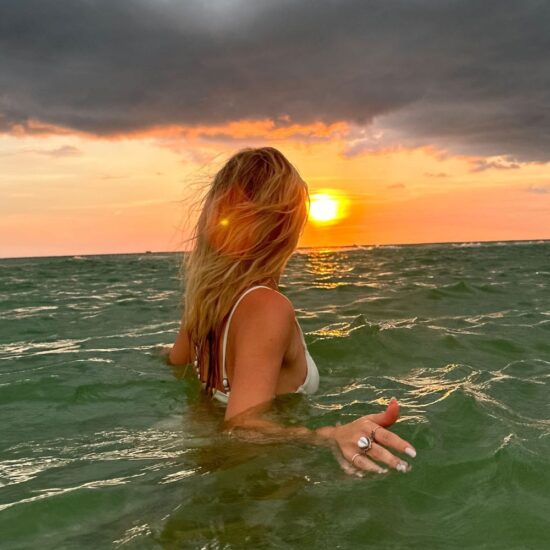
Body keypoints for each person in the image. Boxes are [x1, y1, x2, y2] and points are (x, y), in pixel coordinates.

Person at [164, 146, 416, 475]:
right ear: (286, 228)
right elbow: (243, 428)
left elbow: (174, 365)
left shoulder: (204, 303)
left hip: (203, 469)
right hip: (260, 486)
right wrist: (327, 436)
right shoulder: (266, 306)